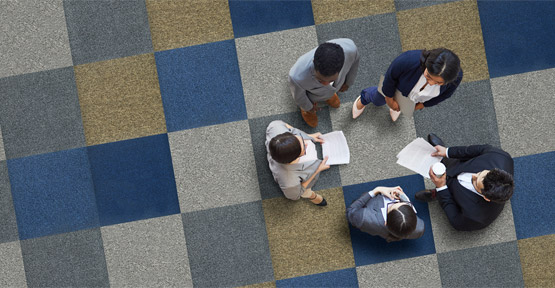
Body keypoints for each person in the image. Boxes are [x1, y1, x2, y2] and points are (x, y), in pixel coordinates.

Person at [416, 133, 515, 231]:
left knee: (446, 195)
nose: (473, 175)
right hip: (457, 164)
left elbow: (456, 221)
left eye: (476, 182)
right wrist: (447, 152)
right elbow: (476, 150)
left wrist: (441, 188)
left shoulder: (477, 217)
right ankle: (443, 156)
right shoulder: (501, 157)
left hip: (454, 193)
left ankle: (437, 193)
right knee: (449, 160)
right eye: (480, 173)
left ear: (486, 197)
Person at [352, 48, 462, 121]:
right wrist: (389, 100)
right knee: (377, 100)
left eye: (438, 83)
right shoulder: (408, 60)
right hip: (394, 88)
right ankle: (363, 99)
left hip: (413, 99)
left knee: (400, 107)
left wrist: (420, 106)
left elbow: (445, 95)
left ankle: (398, 107)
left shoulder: (456, 78)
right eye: (428, 76)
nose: (431, 83)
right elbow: (390, 78)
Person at [289, 38, 360, 127]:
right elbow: (299, 97)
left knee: (329, 90)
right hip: (311, 95)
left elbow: (354, 65)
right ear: (314, 62)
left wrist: (348, 82)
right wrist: (309, 107)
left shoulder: (351, 49)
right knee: (306, 103)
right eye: (320, 80)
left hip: (330, 88)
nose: (326, 84)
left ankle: (329, 95)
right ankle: (307, 110)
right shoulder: (296, 76)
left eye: (330, 80)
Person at [265, 120, 330, 205]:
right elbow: (295, 196)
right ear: (296, 157)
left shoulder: (275, 127)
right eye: (304, 149)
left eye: (300, 139)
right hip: (298, 181)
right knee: (305, 192)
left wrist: (310, 136)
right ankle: (311, 196)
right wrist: (317, 170)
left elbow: (281, 124)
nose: (306, 143)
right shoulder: (289, 182)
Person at [346, 186, 424, 242]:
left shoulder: (364, 217)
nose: (396, 201)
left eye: (392, 205)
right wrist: (402, 196)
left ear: (386, 222)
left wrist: (376, 190)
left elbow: (350, 211)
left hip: (366, 206)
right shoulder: (419, 228)